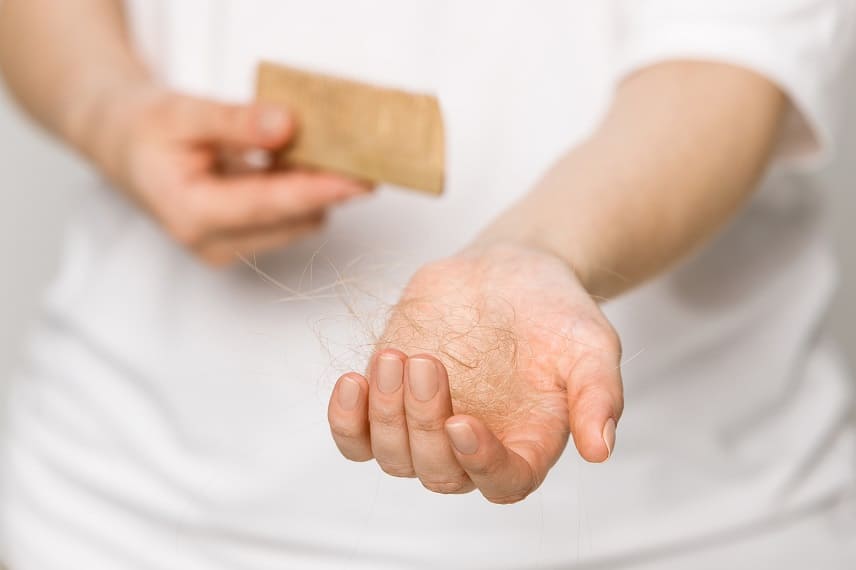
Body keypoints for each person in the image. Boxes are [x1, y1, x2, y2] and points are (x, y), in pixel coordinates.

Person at [1, 1, 855, 568]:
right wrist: (107, 112)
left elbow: (731, 61)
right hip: (125, 514)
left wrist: (535, 248)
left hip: (691, 524)